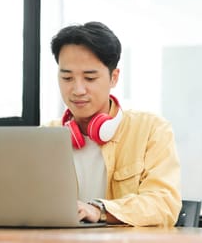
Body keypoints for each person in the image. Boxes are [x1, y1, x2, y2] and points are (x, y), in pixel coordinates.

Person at [47, 21, 182, 227]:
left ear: (114, 78)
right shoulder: (45, 137)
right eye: (67, 78)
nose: (78, 89)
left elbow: (163, 203)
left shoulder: (151, 129)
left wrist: (98, 210)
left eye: (90, 78)